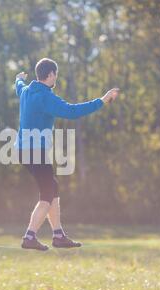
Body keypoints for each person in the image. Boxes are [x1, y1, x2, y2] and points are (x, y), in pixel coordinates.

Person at [14, 57, 119, 251]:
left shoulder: (26, 91)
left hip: (22, 150)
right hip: (35, 151)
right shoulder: (46, 97)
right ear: (51, 74)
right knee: (47, 193)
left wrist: (18, 78)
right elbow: (71, 111)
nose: (56, 78)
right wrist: (102, 101)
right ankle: (30, 236)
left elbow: (18, 86)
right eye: (56, 75)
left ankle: (58, 235)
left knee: (52, 187)